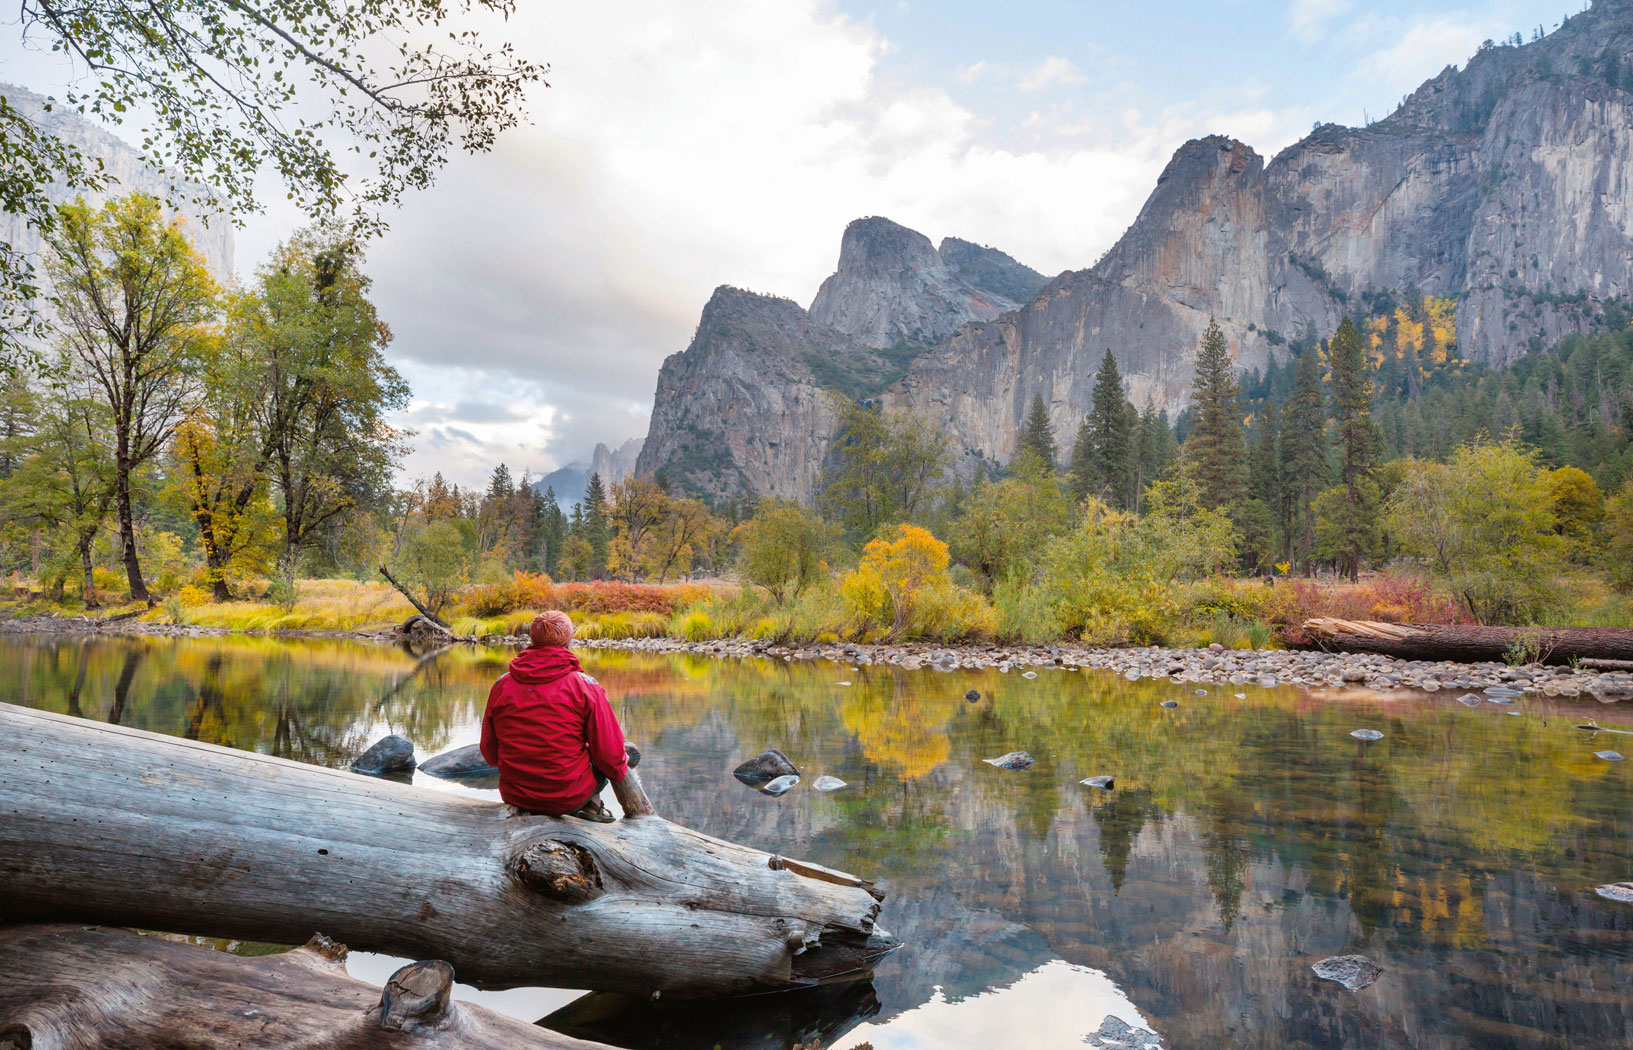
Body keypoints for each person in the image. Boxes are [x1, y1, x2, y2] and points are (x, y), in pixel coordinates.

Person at [479, 610, 628, 822]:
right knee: (600, 754)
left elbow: (490, 753)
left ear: (532, 639)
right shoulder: (586, 686)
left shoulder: (502, 683)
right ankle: (592, 807)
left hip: (515, 795)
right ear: (568, 639)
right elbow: (611, 756)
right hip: (568, 797)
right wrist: (622, 764)